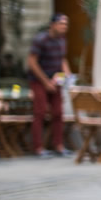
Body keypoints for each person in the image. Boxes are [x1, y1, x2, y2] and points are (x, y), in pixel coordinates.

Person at [26, 13, 73, 158]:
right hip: (39, 80)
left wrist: (67, 74)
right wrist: (45, 82)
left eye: (66, 24)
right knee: (39, 113)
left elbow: (62, 60)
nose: (64, 27)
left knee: (58, 113)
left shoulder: (62, 40)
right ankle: (38, 148)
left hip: (55, 81)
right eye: (61, 24)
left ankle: (58, 146)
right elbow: (32, 62)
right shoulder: (41, 39)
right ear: (52, 25)